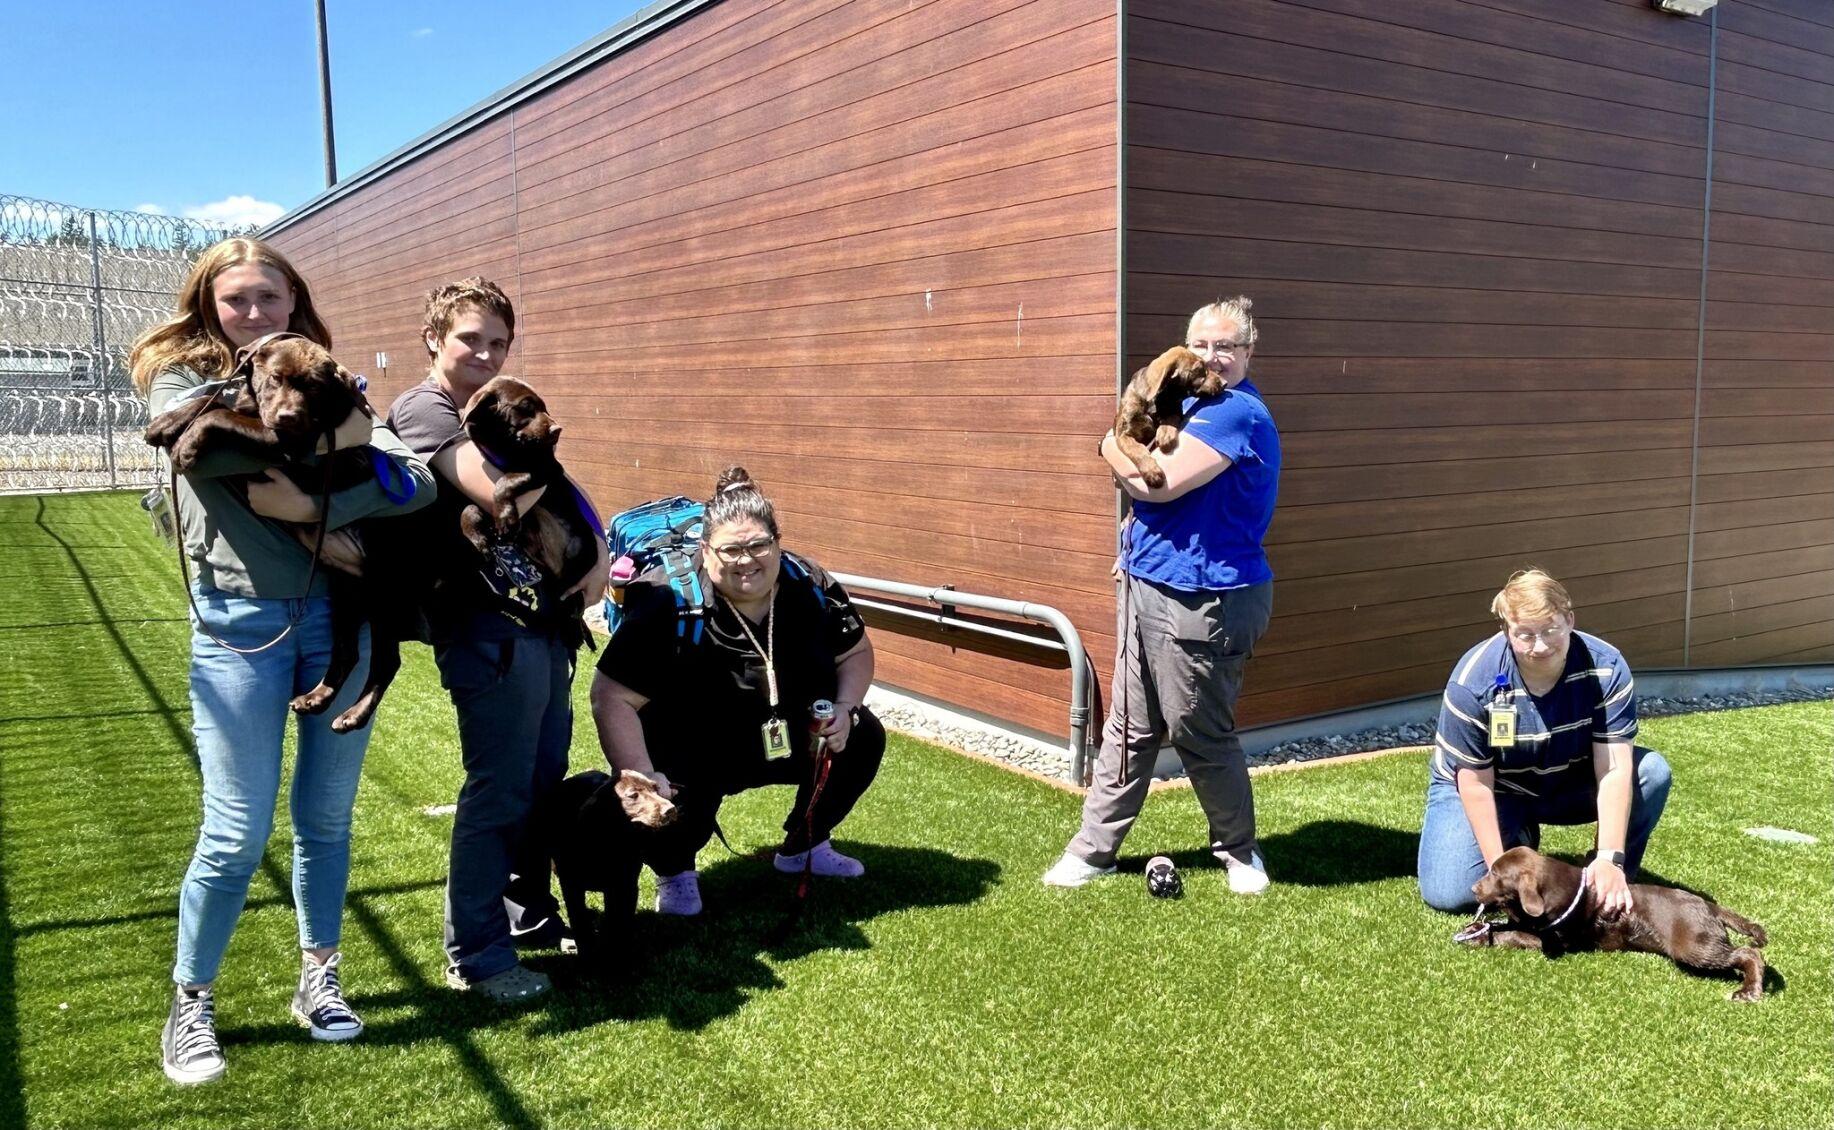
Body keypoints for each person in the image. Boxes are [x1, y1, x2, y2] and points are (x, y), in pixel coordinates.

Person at [133, 238, 435, 1084]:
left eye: (270, 297)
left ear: (294, 301)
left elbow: (419, 482)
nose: (254, 314)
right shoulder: (181, 375)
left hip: (338, 618)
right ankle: (190, 1002)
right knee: (234, 832)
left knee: (326, 821)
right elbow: (212, 448)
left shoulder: (319, 370)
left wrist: (314, 495)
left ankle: (320, 980)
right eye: (237, 300)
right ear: (208, 305)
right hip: (239, 626)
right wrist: (340, 437)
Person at [386, 277, 608, 1003]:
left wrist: (600, 553)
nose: (483, 353)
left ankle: (525, 914)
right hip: (487, 629)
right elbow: (500, 492)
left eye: (497, 343)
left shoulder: (493, 408)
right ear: (434, 340)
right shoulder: (427, 408)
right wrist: (551, 468)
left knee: (539, 784)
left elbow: (569, 492)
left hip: (544, 624)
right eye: (468, 339)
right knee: (500, 789)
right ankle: (476, 954)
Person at [1043, 296, 1281, 895]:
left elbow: (1160, 488)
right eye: (1201, 344)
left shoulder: (1234, 412)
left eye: (1226, 346)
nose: (1212, 356)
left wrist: (1106, 445)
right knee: (1128, 723)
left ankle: (1240, 852)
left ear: (1248, 352)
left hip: (1207, 597)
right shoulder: (1189, 403)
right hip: (1149, 581)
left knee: (1197, 727)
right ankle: (1094, 849)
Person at [589, 467, 883, 916]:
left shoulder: (809, 585)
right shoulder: (667, 599)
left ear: (777, 543)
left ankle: (805, 845)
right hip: (694, 751)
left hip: (787, 735)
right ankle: (675, 870)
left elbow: (855, 651)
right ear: (705, 551)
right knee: (663, 788)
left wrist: (845, 708)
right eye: (730, 549)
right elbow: (610, 695)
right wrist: (642, 774)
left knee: (863, 736)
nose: (747, 560)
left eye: (759, 545)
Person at [1418, 570, 1671, 916]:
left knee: (1652, 772)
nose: (1539, 645)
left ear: (1569, 620)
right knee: (1448, 892)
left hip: (1565, 780)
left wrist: (1610, 857)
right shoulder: (1473, 683)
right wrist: (1500, 872)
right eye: (1525, 634)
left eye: (1550, 629)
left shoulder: (1607, 668)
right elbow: (1475, 784)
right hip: (1494, 789)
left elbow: (1613, 769)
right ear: (1507, 631)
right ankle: (1518, 837)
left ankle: (1606, 878)